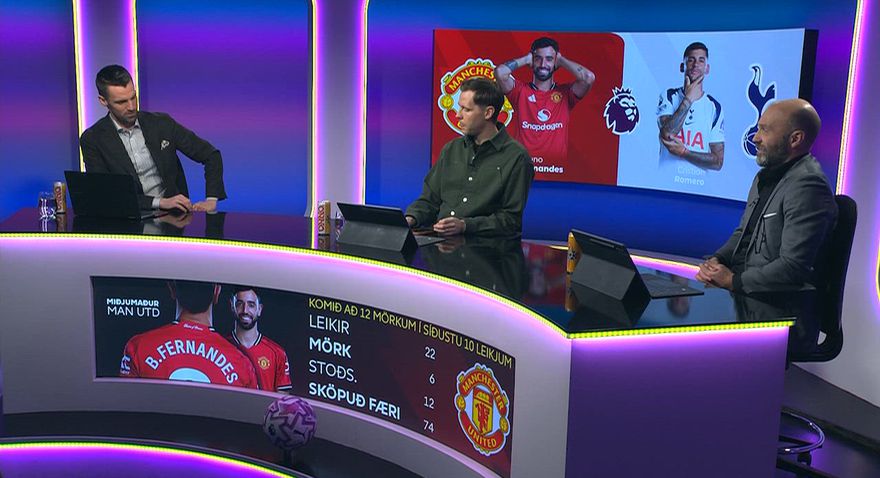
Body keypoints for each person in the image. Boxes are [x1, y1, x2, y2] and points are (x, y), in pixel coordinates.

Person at [80, 65, 226, 213]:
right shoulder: (93, 139)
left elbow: (211, 155)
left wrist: (211, 200)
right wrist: (160, 202)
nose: (131, 107)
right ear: (103, 101)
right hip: (129, 218)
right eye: (121, 102)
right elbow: (106, 194)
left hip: (174, 217)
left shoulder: (161, 123)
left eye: (133, 97)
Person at [405, 77, 534, 237]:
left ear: (488, 113)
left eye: (466, 109)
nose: (458, 115)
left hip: (486, 248)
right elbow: (429, 200)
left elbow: (511, 220)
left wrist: (465, 226)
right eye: (459, 108)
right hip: (439, 243)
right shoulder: (451, 149)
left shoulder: (517, 157)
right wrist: (410, 219)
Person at [119, 280, 259, 389]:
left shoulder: (138, 347)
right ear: (217, 292)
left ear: (172, 289)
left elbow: (124, 406)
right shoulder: (242, 364)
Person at [495, 37, 596, 168]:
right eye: (538, 58)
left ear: (555, 62)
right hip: (523, 168)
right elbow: (500, 72)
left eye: (549, 59)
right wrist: (526, 59)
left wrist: (561, 60)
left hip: (556, 170)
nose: (543, 64)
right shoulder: (520, 92)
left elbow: (588, 78)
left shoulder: (565, 94)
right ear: (532, 60)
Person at [657, 42, 725, 176]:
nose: (695, 65)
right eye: (691, 60)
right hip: (665, 180)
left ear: (707, 68)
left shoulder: (714, 107)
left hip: (697, 183)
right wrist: (688, 100)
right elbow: (667, 134)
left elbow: (718, 162)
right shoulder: (669, 95)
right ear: (682, 66)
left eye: (701, 60)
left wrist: (685, 153)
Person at [226, 287, 292, 393]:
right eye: (239, 304)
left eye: (251, 305)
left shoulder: (277, 353)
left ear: (259, 309)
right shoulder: (221, 346)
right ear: (232, 306)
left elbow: (283, 397)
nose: (245, 310)